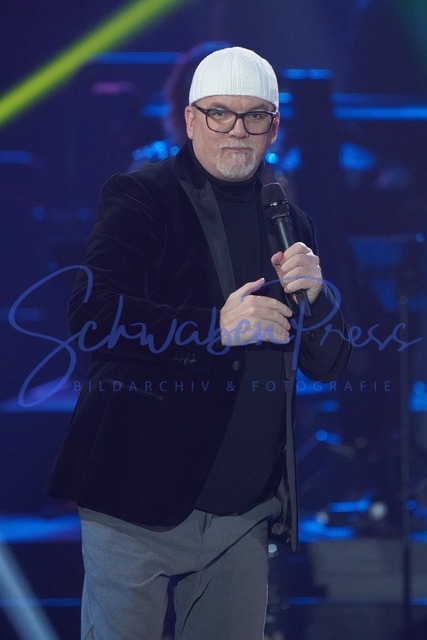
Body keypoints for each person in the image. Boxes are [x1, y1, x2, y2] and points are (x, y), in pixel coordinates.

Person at [47, 46, 351, 640]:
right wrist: (215, 327)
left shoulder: (289, 221)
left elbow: (330, 362)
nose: (237, 130)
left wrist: (317, 299)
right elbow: (93, 315)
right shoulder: (143, 196)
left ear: (273, 126)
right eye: (219, 114)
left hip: (242, 510)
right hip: (137, 494)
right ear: (190, 120)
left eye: (253, 115)